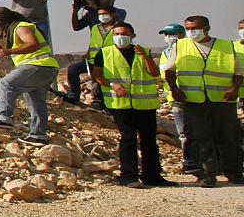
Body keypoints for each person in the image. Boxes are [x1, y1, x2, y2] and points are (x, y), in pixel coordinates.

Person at [161, 15, 243, 186]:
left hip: (222, 99)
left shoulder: (226, 46)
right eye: (188, 28)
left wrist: (234, 88)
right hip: (194, 99)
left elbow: (239, 70)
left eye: (195, 28)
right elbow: (169, 69)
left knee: (228, 136)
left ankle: (233, 172)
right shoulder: (180, 45)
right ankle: (206, 174)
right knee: (200, 138)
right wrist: (173, 88)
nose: (191, 32)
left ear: (207, 28)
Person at [89, 22, 170, 187]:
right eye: (117, 34)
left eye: (124, 33)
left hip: (145, 103)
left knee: (149, 140)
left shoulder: (143, 51)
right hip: (120, 104)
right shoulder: (104, 53)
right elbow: (97, 76)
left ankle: (153, 176)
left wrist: (145, 57)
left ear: (132, 35)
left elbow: (154, 74)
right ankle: (129, 176)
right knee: (128, 139)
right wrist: (113, 85)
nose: (120, 37)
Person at [0, 6, 58, 144]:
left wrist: (9, 51)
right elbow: (1, 46)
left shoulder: (21, 27)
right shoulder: (10, 31)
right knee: (36, 101)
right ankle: (38, 135)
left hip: (38, 65)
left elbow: (33, 44)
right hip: (47, 68)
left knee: (6, 84)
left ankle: (3, 117)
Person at [65, 0, 126, 108]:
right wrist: (75, 10)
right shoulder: (92, 14)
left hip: (111, 59)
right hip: (95, 57)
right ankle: (73, 97)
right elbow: (77, 27)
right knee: (73, 70)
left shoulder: (119, 13)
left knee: (100, 80)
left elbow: (117, 20)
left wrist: (94, 5)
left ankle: (101, 104)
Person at [156, 23, 200, 176]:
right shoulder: (165, 53)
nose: (168, 38)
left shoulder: (190, 50)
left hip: (194, 96)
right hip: (175, 99)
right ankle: (190, 162)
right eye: (166, 35)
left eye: (172, 34)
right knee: (183, 133)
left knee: (201, 131)